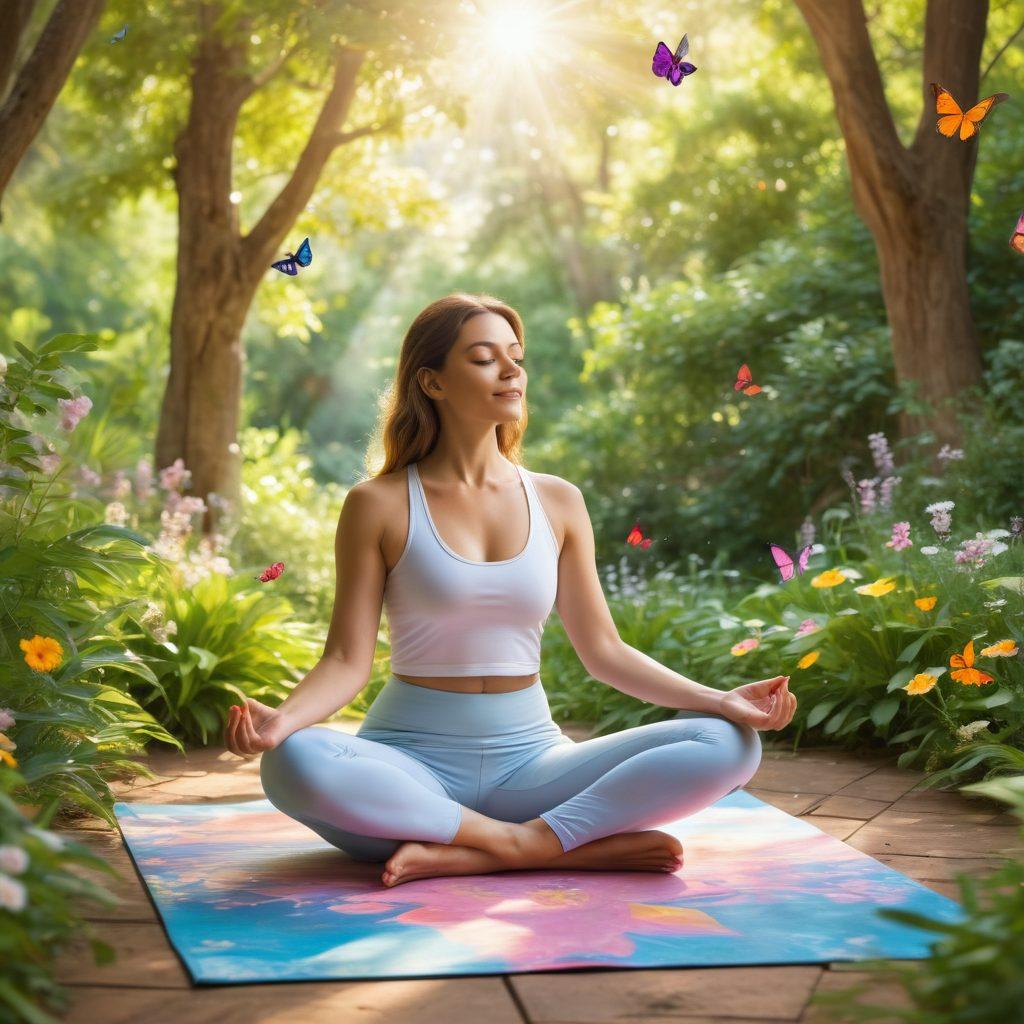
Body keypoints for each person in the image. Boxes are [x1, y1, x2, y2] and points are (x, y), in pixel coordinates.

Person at [225, 292, 796, 889]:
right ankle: (548, 844)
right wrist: (279, 722)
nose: (510, 371)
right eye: (483, 358)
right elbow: (346, 661)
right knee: (292, 760)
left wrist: (720, 699)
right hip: (409, 776)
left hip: (533, 765)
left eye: (515, 357)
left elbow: (604, 651)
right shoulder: (378, 504)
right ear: (433, 382)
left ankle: (482, 848)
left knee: (729, 743)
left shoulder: (558, 500)